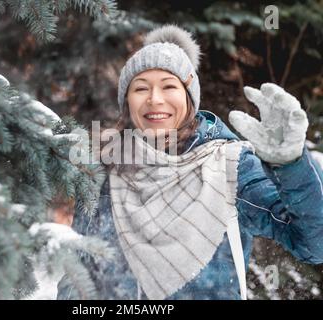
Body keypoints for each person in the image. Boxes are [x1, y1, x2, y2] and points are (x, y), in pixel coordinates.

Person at [57, 24, 323, 300]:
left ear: (189, 98)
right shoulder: (104, 167)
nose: (154, 99)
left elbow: (314, 244)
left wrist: (291, 164)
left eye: (169, 86)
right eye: (141, 88)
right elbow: (78, 269)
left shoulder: (230, 166)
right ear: (126, 102)